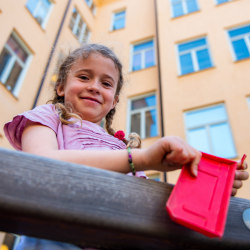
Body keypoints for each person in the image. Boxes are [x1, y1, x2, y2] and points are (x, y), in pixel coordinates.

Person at [4, 43, 249, 249]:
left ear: (114, 102)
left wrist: (212, 190)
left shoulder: (120, 147)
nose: (95, 87)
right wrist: (139, 159)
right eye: (83, 77)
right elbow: (40, 163)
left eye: (107, 83)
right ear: (60, 87)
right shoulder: (49, 116)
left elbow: (147, 206)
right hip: (54, 239)